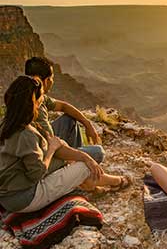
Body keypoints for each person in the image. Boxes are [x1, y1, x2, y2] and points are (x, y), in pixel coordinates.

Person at [0, 76, 131, 213]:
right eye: (39, 100)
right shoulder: (25, 134)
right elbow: (36, 173)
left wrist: (84, 156)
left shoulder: (7, 124)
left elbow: (54, 148)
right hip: (24, 198)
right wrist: (52, 149)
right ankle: (115, 182)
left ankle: (107, 182)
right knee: (83, 167)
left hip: (10, 193)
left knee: (81, 160)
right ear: (33, 103)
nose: (41, 103)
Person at [25, 57, 104, 164]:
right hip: (44, 155)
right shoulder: (34, 107)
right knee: (98, 152)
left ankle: (75, 166)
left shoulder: (34, 96)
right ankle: (75, 167)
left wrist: (87, 124)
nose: (53, 81)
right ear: (46, 81)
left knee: (69, 119)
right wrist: (82, 156)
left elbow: (63, 106)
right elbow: (51, 148)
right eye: (51, 78)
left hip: (43, 144)